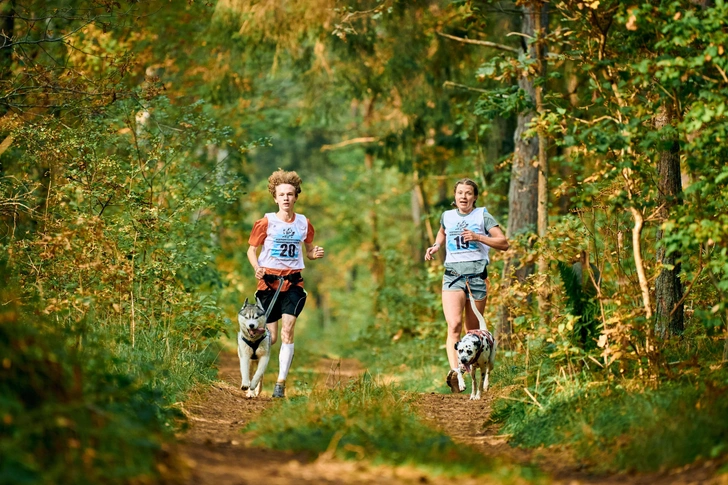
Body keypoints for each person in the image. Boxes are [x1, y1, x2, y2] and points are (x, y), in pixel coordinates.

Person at [424, 178, 509, 393]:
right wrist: (436, 246)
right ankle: (456, 373)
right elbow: (443, 231)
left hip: (477, 277)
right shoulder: (447, 216)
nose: (464, 196)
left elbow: (504, 243)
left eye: (468, 193)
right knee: (453, 325)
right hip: (452, 275)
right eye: (460, 192)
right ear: (455, 196)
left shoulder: (482, 216)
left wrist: (478, 237)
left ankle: (473, 375)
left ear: (475, 197)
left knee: (472, 331)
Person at [247, 169, 325, 398]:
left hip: (292, 284)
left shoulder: (303, 223)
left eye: (290, 194)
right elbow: (252, 250)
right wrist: (256, 268)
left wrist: (315, 253)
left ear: (296, 197)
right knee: (270, 337)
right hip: (269, 285)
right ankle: (258, 375)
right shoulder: (265, 222)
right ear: (275, 197)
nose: (286, 198)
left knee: (288, 330)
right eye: (281, 194)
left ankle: (281, 382)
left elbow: (309, 251)